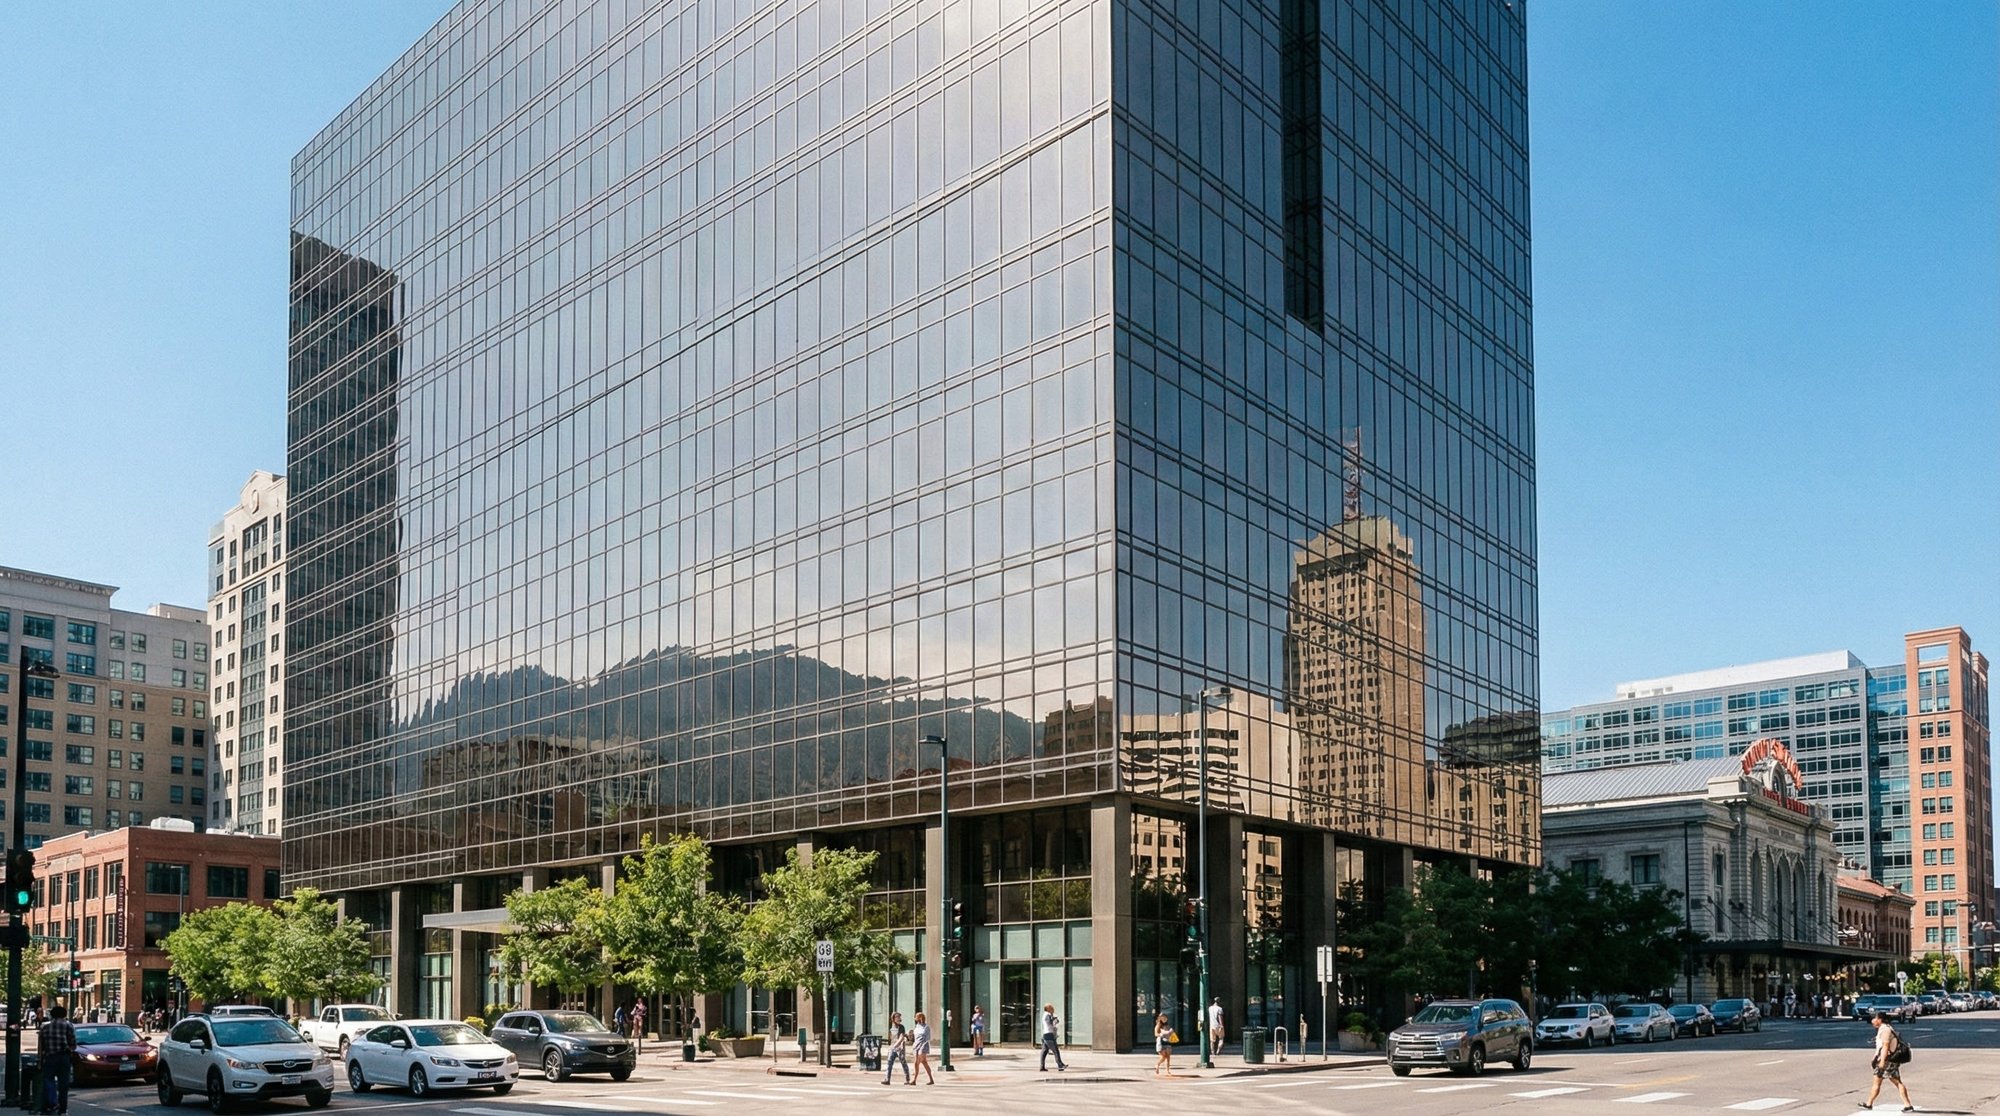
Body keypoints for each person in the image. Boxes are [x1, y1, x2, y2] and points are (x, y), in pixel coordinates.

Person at [1863, 1011, 1914, 1111]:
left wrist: (1882, 1061)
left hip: (1887, 1061)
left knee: (1879, 1082)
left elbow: (1886, 1046)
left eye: (1874, 1019)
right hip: (1890, 1060)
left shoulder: (1885, 1030)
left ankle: (1869, 1103)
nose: (1872, 1021)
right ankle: (1907, 1105)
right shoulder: (1885, 1028)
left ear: (1880, 1020)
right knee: (1896, 1082)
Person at [39, 1003, 76, 1116]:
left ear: (52, 1015)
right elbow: (73, 1044)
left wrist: (40, 1060)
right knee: (63, 1084)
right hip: (63, 1057)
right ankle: (63, 1110)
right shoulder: (68, 1025)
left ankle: (51, 1104)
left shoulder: (44, 1026)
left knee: (48, 1081)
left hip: (49, 1057)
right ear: (64, 1014)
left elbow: (41, 1046)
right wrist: (69, 1050)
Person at [882, 1012, 911, 1085]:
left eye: (899, 1017)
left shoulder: (901, 1027)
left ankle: (907, 1080)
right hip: (892, 1048)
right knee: (889, 1064)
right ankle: (887, 1079)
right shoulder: (891, 1028)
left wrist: (895, 1045)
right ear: (893, 1018)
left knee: (903, 1063)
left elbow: (901, 1037)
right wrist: (891, 1047)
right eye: (897, 1017)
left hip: (899, 1049)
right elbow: (890, 1038)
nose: (899, 1018)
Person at [1039, 1003, 1066, 1071]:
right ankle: (1060, 1065)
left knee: (1044, 1051)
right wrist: (1055, 1020)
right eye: (1051, 1008)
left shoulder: (1046, 1015)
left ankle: (1042, 1066)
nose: (1053, 1009)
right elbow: (1051, 1022)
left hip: (1046, 1034)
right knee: (1055, 1050)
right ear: (1048, 1009)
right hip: (1049, 1035)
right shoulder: (1047, 1015)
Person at [910, 1011, 936, 1085]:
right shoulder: (916, 1026)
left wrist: (923, 1046)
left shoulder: (926, 1027)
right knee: (924, 1062)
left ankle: (914, 1080)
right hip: (916, 1045)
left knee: (916, 1062)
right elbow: (915, 1037)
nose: (915, 1018)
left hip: (923, 1045)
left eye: (916, 1017)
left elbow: (927, 1038)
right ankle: (931, 1079)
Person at [1153, 1011, 1174, 1077]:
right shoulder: (1158, 1025)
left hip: (1167, 1041)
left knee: (1168, 1056)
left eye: (1165, 1017)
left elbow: (1170, 1033)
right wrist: (1161, 1034)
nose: (1164, 1019)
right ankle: (1157, 1064)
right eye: (1162, 1017)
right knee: (1163, 1056)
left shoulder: (1167, 1025)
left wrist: (1170, 1032)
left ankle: (1167, 1070)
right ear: (1160, 1018)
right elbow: (1156, 1034)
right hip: (1161, 1042)